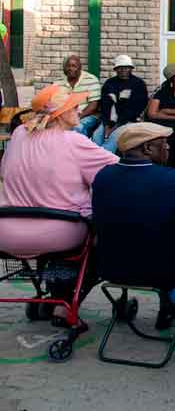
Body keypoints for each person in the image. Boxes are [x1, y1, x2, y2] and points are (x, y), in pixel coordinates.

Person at [0, 85, 119, 321]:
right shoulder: (73, 141)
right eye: (73, 106)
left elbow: (5, 171)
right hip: (60, 231)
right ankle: (64, 301)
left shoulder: (19, 135)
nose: (78, 109)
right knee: (101, 241)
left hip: (6, 231)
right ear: (61, 113)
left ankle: (52, 291)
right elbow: (118, 170)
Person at [91, 123, 175, 329]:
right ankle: (168, 306)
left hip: (110, 267)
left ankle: (130, 298)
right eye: (164, 144)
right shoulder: (174, 180)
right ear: (147, 149)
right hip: (166, 269)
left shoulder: (103, 176)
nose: (168, 148)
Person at [97, 55, 149, 152]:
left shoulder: (138, 84)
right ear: (116, 69)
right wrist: (107, 125)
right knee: (96, 138)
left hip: (129, 121)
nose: (123, 70)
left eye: (126, 67)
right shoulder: (109, 83)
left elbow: (135, 110)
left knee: (111, 142)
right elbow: (105, 106)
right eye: (120, 68)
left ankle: (105, 164)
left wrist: (115, 127)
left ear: (130, 68)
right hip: (109, 120)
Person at [57, 54, 101, 138]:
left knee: (76, 128)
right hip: (64, 116)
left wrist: (76, 118)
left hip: (86, 115)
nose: (70, 69)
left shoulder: (91, 80)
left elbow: (93, 105)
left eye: (74, 66)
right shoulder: (58, 82)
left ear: (80, 67)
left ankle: (77, 150)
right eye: (68, 66)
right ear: (64, 68)